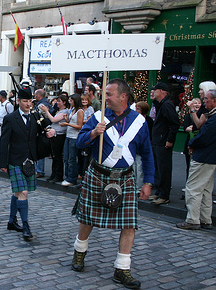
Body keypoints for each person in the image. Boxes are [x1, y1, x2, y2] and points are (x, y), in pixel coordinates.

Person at [71, 79, 154, 290]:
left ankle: (122, 268)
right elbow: (79, 142)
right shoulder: (98, 117)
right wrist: (93, 133)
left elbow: (147, 153)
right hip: (98, 174)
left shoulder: (139, 122)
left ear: (123, 97)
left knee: (129, 224)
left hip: (125, 177)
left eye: (108, 94)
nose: (104, 98)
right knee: (88, 218)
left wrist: (148, 182)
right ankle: (79, 253)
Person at [0, 85, 55, 242]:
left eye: (30, 100)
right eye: (25, 101)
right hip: (15, 160)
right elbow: (4, 142)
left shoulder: (35, 117)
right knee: (23, 192)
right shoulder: (10, 118)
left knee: (18, 192)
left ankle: (11, 221)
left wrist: (50, 132)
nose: (28, 104)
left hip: (30, 161)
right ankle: (25, 225)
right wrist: (3, 162)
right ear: (18, 101)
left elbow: (44, 131)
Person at [177, 89, 216, 230]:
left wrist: (191, 143)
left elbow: (204, 136)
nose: (204, 101)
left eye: (206, 99)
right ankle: (206, 219)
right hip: (211, 157)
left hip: (205, 157)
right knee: (206, 190)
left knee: (193, 188)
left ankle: (193, 220)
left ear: (215, 100)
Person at [149, 82, 180, 205]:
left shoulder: (167, 105)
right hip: (158, 140)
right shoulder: (161, 104)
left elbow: (174, 123)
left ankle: (164, 194)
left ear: (162, 91)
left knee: (164, 168)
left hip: (163, 141)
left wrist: (170, 139)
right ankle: (158, 191)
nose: (153, 93)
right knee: (158, 168)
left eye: (155, 90)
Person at [39, 95, 70, 183]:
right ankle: (54, 174)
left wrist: (46, 111)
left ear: (64, 102)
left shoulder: (64, 112)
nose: (57, 103)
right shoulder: (58, 111)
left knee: (58, 156)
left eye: (59, 101)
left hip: (60, 135)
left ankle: (58, 175)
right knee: (54, 156)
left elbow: (53, 119)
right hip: (54, 135)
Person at [61, 94, 84, 187]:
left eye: (71, 100)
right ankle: (68, 176)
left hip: (74, 137)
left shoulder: (80, 111)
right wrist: (67, 120)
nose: (70, 101)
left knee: (72, 158)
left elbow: (80, 126)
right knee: (66, 157)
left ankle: (72, 178)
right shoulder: (72, 110)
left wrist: (67, 124)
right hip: (68, 135)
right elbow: (71, 122)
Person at [182, 98, 202, 198]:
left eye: (199, 103)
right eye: (195, 103)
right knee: (188, 166)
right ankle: (188, 185)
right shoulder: (188, 116)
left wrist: (193, 127)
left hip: (198, 144)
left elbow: (199, 127)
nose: (197, 105)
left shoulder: (202, 116)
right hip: (188, 142)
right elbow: (186, 128)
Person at [33, 89, 54, 178]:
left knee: (40, 149)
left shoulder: (42, 105)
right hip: (42, 129)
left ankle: (40, 170)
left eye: (35, 95)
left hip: (42, 129)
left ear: (38, 96)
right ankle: (38, 170)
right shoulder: (43, 103)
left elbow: (44, 116)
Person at [0, 90, 14, 167]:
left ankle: (5, 161)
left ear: (1, 96)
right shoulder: (3, 105)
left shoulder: (8, 105)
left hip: (5, 127)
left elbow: (11, 116)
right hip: (0, 126)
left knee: (4, 144)